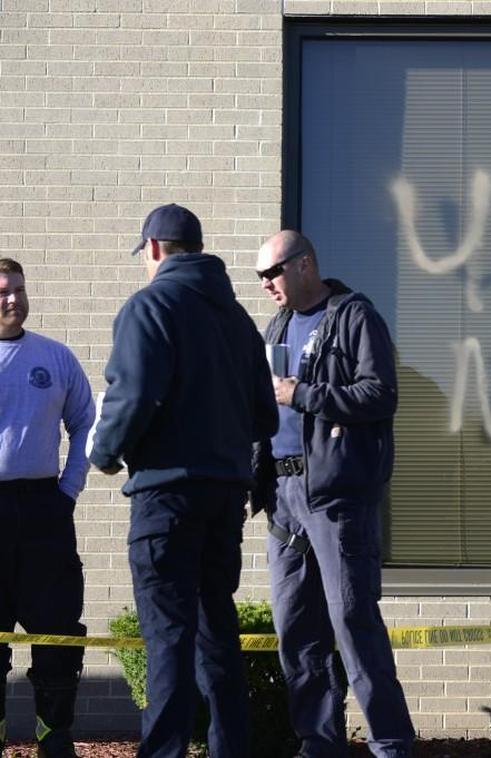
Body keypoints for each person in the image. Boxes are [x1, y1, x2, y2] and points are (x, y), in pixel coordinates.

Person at [89, 204, 278, 758]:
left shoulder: (150, 306)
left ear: (152, 248)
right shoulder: (238, 319)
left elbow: (132, 395)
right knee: (214, 629)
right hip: (224, 495)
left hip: (165, 495)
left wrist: (104, 453)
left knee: (167, 635)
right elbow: (265, 416)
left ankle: (164, 751)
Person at [250, 231, 413, 758]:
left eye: (272, 272)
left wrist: (304, 393)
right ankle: (318, 745)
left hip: (336, 497)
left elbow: (381, 393)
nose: (266, 285)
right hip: (284, 494)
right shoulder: (276, 326)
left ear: (304, 265)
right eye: (261, 277)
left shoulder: (353, 316)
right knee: (296, 629)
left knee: (352, 621)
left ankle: (390, 743)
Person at [0, 258, 94, 758]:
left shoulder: (54, 358)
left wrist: (68, 490)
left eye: (18, 288)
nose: (13, 299)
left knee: (57, 628)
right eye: (2, 291)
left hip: (44, 509)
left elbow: (86, 422)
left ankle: (52, 736)